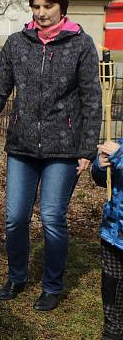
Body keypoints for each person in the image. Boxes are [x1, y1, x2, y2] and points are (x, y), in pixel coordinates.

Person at [0, 0, 101, 311]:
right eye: (36, 6)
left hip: (64, 149)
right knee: (15, 217)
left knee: (52, 217)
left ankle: (53, 285)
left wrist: (87, 150)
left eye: (49, 6)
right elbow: (0, 86)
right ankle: (16, 277)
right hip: (22, 146)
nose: (42, 12)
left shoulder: (81, 45)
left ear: (62, 7)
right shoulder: (18, 43)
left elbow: (91, 99)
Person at [92, 138, 123, 339]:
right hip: (114, 232)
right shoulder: (120, 143)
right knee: (112, 283)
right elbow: (103, 179)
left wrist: (120, 156)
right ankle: (113, 329)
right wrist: (101, 166)